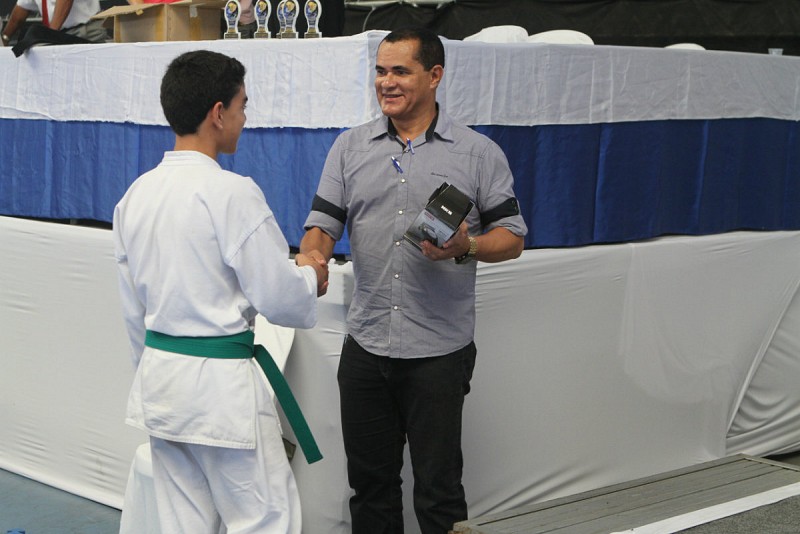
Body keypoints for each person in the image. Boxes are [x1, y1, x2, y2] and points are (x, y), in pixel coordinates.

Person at [300, 27, 528, 534]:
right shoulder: (348, 147)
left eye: (400, 71)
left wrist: (466, 246)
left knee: (439, 494)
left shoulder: (478, 153)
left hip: (439, 354)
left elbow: (512, 238)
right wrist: (311, 259)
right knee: (370, 490)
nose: (387, 82)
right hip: (366, 348)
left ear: (435, 75)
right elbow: (322, 225)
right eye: (381, 71)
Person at [113, 50, 328, 533]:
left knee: (181, 523)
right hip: (221, 390)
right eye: (242, 105)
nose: (244, 118)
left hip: (162, 381)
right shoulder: (231, 192)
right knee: (264, 520)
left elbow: (132, 311)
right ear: (218, 112)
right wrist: (309, 276)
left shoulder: (135, 195)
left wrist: (152, 371)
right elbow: (278, 297)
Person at [1, 0, 108, 45]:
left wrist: (50, 36)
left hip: (85, 32)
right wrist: (4, 38)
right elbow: (22, 9)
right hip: (60, 34)